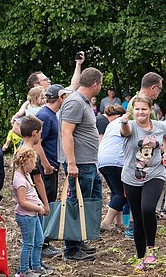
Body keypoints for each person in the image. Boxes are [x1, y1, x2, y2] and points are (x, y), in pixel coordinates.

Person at [119, 95, 166, 271]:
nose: (140, 112)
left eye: (144, 109)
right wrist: (124, 121)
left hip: (155, 173)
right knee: (138, 217)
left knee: (147, 209)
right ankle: (140, 256)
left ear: (150, 110)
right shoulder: (130, 126)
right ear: (133, 110)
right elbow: (125, 131)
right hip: (131, 176)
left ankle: (151, 248)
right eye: (137, 109)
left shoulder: (160, 126)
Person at [60, 67, 103, 261]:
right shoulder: (75, 102)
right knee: (76, 204)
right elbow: (66, 133)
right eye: (100, 84)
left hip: (89, 163)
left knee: (88, 202)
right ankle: (71, 249)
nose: (100, 88)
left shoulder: (83, 102)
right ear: (95, 85)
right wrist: (71, 163)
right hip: (79, 163)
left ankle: (79, 240)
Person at [36, 84, 72, 259]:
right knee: (44, 203)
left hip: (52, 166)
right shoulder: (44, 115)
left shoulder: (51, 114)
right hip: (46, 168)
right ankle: (42, 244)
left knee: (48, 202)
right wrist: (47, 166)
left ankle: (43, 240)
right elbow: (37, 143)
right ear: (60, 98)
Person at [12, 146, 47, 277]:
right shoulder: (20, 181)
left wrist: (40, 203)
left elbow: (32, 193)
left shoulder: (26, 175)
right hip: (26, 216)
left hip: (33, 214)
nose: (34, 167)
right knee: (28, 243)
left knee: (39, 240)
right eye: (34, 163)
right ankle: (24, 270)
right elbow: (22, 202)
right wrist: (38, 208)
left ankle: (36, 267)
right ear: (28, 161)